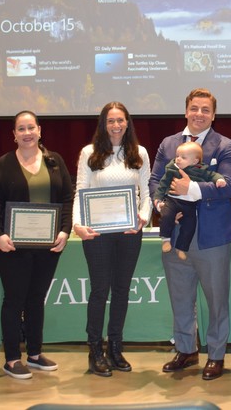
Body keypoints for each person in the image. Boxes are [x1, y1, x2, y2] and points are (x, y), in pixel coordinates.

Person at [149, 88, 231, 381]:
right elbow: (155, 179)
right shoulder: (168, 144)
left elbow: (228, 185)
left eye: (205, 109)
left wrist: (190, 190)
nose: (199, 114)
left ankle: (216, 354)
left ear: (213, 115)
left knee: (216, 300)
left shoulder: (227, 146)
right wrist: (161, 203)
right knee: (180, 296)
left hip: (211, 237)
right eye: (194, 108)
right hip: (176, 233)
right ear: (186, 111)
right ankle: (186, 349)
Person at [0, 111, 73, 380]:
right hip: (12, 246)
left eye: (31, 127)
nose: (27, 133)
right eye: (21, 129)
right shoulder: (3, 165)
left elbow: (68, 198)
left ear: (39, 130)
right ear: (14, 134)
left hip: (46, 246)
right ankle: (12, 358)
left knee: (36, 299)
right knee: (14, 300)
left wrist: (65, 231)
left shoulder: (54, 161)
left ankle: (34, 354)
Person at [72, 102, 152, 377]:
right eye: (110, 121)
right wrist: (77, 225)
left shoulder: (139, 152)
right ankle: (95, 350)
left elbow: (147, 193)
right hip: (96, 234)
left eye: (120, 120)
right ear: (103, 124)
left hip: (129, 232)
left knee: (121, 290)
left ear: (127, 123)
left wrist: (142, 218)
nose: (116, 125)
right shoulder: (89, 153)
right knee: (99, 290)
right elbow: (81, 190)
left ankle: (115, 348)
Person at [154, 140, 227, 259]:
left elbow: (212, 175)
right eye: (177, 156)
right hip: (172, 200)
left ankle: (181, 248)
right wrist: (158, 199)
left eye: (183, 157)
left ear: (195, 161)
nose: (178, 159)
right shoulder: (172, 169)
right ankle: (166, 239)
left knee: (190, 226)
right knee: (166, 216)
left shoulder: (201, 170)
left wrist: (219, 180)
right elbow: (162, 184)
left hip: (190, 204)